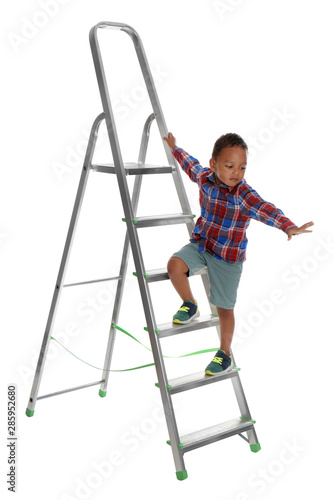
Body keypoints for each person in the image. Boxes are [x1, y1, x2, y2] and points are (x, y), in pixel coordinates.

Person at [163, 131, 314, 376]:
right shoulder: (205, 177)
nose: (236, 172)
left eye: (242, 167)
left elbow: (266, 208)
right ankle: (189, 303)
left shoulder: (243, 194)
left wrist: (288, 225)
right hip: (203, 245)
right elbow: (191, 165)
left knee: (224, 308)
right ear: (214, 165)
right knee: (174, 265)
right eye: (230, 165)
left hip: (228, 258)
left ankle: (224, 354)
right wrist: (174, 148)